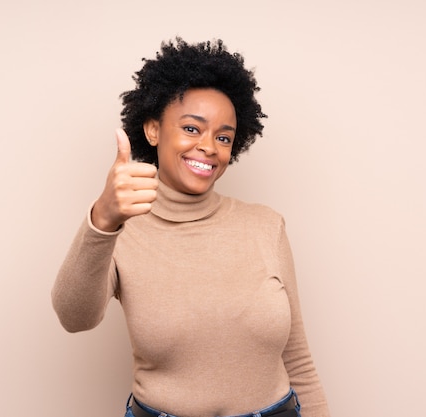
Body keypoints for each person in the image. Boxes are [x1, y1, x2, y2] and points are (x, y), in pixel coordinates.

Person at [52, 38, 330, 417]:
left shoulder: (266, 225)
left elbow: (297, 359)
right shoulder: (120, 230)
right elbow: (74, 317)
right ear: (153, 130)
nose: (209, 147)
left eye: (223, 137)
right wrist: (102, 219)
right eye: (191, 128)